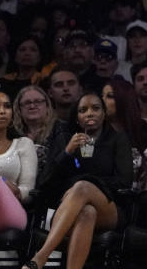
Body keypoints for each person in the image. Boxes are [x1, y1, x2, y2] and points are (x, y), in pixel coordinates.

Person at [26, 92, 133, 269]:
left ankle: (40, 256)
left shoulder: (117, 139)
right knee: (87, 212)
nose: (89, 113)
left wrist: (88, 185)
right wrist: (67, 152)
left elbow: (124, 182)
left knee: (82, 187)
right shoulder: (66, 140)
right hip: (68, 211)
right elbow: (44, 183)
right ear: (77, 117)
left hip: (109, 208)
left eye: (96, 108)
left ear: (104, 114)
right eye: (83, 110)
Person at [0, 90, 37, 228]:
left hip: (13, 209)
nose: (2, 111)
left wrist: (4, 184)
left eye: (7, 106)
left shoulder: (24, 144)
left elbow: (28, 189)